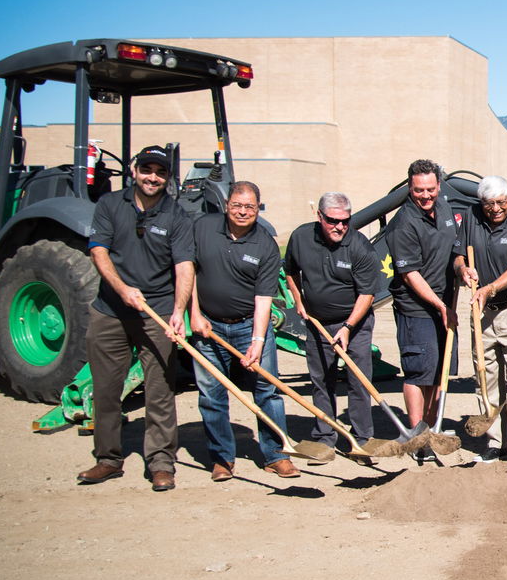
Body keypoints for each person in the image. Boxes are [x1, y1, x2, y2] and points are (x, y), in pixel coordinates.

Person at [78, 145, 196, 491]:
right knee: (106, 389)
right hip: (110, 311)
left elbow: (184, 265)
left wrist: (179, 311)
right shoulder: (111, 205)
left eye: (160, 172)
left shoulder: (176, 215)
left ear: (167, 177)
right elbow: (99, 251)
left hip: (156, 311)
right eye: (147, 170)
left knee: (160, 390)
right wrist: (122, 289)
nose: (153, 177)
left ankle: (161, 463)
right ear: (134, 171)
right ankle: (108, 459)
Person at [190, 181, 296, 480]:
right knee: (211, 394)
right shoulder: (203, 229)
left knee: (268, 390)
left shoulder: (264, 244)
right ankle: (222, 458)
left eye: (249, 207)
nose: (242, 211)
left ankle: (277, 455)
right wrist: (194, 315)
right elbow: (187, 271)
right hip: (208, 327)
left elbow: (263, 299)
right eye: (237, 205)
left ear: (257, 209)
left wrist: (258, 341)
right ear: (226, 205)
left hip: (249, 324)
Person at [284, 191, 380, 462]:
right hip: (317, 322)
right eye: (332, 220)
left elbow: (367, 294)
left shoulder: (359, 246)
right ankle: (325, 437)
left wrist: (348, 327)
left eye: (345, 221)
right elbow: (290, 270)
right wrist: (298, 300)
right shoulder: (301, 238)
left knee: (358, 380)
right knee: (321, 380)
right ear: (319, 216)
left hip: (355, 323)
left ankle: (361, 439)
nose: (339, 226)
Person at [454, 175, 507, 462]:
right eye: (489, 204)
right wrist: (463, 270)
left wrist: (491, 288)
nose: (495, 209)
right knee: (485, 377)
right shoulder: (471, 217)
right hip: (482, 312)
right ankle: (493, 440)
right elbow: (458, 255)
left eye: (501, 203)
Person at [388, 158, 458, 434]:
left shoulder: (444, 208)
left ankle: (432, 428)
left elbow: (455, 249)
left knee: (439, 372)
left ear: (439, 185)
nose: (426, 195)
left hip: (444, 304)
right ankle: (417, 433)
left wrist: (462, 268)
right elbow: (410, 275)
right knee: (419, 371)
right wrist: (440, 306)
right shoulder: (403, 223)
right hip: (417, 309)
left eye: (430, 189)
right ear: (409, 187)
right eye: (419, 190)